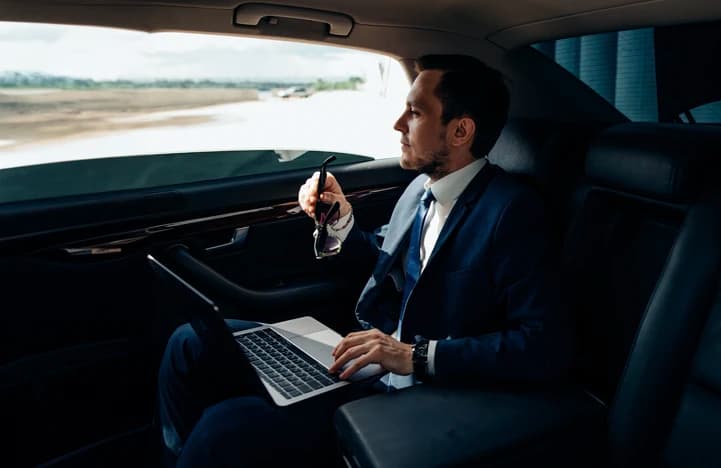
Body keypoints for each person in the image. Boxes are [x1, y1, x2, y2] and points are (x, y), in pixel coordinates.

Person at [156, 54, 570, 467]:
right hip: (367, 358)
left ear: (460, 130)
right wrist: (338, 218)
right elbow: (383, 267)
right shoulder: (419, 192)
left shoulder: (512, 211)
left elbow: (542, 344)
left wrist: (415, 355)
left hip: (418, 387)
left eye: (415, 112)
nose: (398, 125)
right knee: (189, 344)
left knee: (225, 426)